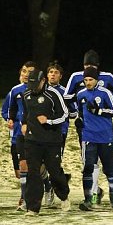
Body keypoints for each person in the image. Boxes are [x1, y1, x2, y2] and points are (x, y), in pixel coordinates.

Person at [64, 50, 113, 204]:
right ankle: (92, 195)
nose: (89, 69)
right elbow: (68, 96)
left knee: (108, 166)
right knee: (89, 163)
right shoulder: (76, 78)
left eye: (92, 66)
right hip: (86, 130)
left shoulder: (107, 80)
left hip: (104, 131)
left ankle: (111, 191)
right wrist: (77, 114)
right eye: (86, 66)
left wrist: (103, 108)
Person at [21, 68, 71, 215]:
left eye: (36, 84)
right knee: (33, 173)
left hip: (51, 141)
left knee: (55, 172)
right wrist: (24, 123)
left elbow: (65, 115)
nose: (33, 88)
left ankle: (64, 196)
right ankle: (33, 207)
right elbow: (26, 113)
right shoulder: (26, 95)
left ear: (43, 81)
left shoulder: (53, 94)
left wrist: (49, 121)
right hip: (32, 141)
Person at [75, 66, 113, 211]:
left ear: (96, 80)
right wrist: (79, 119)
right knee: (91, 167)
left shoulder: (105, 93)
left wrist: (100, 111)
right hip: (89, 136)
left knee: (108, 168)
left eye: (91, 80)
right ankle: (92, 198)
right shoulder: (81, 94)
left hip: (105, 136)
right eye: (86, 80)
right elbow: (79, 112)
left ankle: (112, 190)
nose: (88, 82)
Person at [1, 61, 37, 211]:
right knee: (19, 172)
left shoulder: (38, 90)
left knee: (28, 167)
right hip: (17, 136)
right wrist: (10, 121)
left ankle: (25, 198)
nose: (26, 75)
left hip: (34, 136)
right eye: (24, 71)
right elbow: (6, 111)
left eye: (30, 72)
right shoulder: (14, 91)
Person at [42, 61, 75, 207]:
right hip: (41, 132)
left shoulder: (65, 92)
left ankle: (57, 188)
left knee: (53, 164)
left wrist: (63, 114)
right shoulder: (41, 89)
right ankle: (49, 186)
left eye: (56, 72)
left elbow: (74, 112)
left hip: (59, 132)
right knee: (40, 164)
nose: (52, 74)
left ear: (60, 76)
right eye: (50, 72)